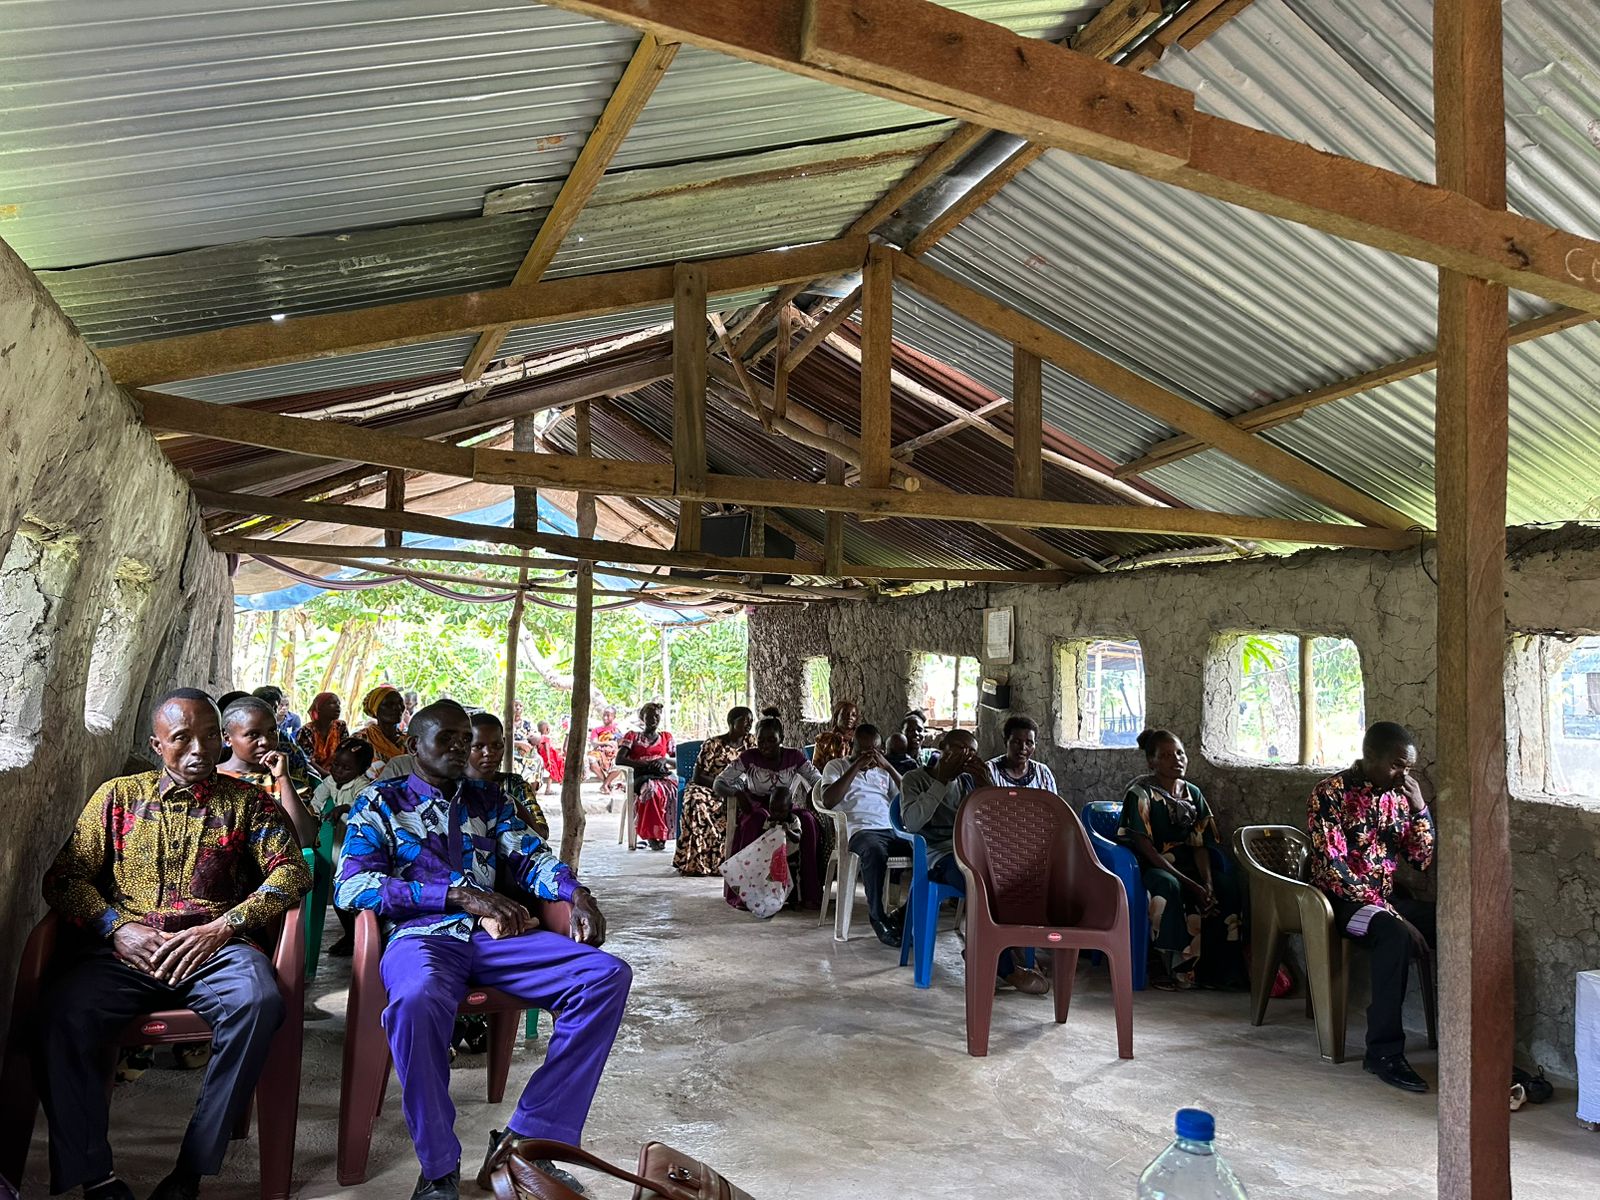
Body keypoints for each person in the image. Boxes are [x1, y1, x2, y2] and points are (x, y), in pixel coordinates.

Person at [336, 701, 630, 1200]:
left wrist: (577, 894)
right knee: (415, 1001)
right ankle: (438, 1167)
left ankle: (528, 1138)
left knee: (605, 976)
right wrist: (455, 893)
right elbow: (353, 887)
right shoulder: (380, 802)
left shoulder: (487, 800)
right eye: (445, 738)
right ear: (414, 746)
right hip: (421, 937)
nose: (458, 747)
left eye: (463, 738)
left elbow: (531, 855)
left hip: (496, 938)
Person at [37, 689, 311, 1200]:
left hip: (215, 948)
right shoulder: (118, 797)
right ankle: (95, 1177)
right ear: (156, 744)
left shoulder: (249, 802)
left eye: (210, 736)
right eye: (182, 738)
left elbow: (292, 871)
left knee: (259, 1001)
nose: (199, 750)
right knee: (59, 1011)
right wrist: (116, 926)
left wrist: (224, 927)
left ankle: (190, 1172)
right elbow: (64, 878)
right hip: (127, 950)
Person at [1307, 721, 1436, 1093]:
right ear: (1371, 756)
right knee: (1393, 934)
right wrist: (1392, 914)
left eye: (1409, 767)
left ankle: (1468, 1038)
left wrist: (1419, 808)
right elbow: (1333, 868)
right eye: (1397, 765)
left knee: (1453, 923)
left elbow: (1421, 858)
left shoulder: (1398, 796)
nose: (1404, 775)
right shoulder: (1330, 793)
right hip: (1343, 903)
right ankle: (1382, 1053)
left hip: (1387, 899)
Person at [901, 728, 1048, 995]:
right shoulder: (914, 779)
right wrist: (941, 781)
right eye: (958, 749)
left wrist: (986, 786)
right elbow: (911, 823)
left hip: (975, 853)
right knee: (981, 886)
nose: (964, 757)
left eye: (971, 752)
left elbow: (998, 823)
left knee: (1016, 879)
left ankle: (990, 950)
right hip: (941, 857)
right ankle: (1004, 968)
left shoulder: (969, 782)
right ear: (942, 747)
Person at [1118, 729, 1244, 990]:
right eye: (1166, 755)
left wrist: (1206, 884)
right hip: (1150, 867)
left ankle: (1221, 970)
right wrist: (1192, 886)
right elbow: (1146, 850)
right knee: (1169, 887)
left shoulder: (1193, 793)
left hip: (1188, 866)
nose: (1177, 759)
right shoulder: (1140, 795)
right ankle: (1168, 966)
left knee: (1227, 886)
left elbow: (1200, 844)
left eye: (1180, 753)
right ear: (1152, 762)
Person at [714, 716, 824, 910]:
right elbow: (719, 782)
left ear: (781, 738)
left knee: (807, 820)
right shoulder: (749, 757)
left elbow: (817, 780)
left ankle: (809, 892)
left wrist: (811, 796)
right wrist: (737, 794)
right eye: (761, 741)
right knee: (757, 821)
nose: (766, 745)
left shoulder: (794, 757)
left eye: (771, 740)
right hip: (755, 807)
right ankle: (748, 894)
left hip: (784, 807)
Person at [820, 723, 908, 946]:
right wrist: (856, 766)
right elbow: (828, 800)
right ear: (852, 746)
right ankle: (878, 917)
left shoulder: (883, 771)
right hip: (860, 831)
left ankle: (903, 914)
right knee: (875, 852)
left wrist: (888, 768)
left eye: (875, 752)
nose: (870, 757)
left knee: (925, 850)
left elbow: (909, 796)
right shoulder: (836, 766)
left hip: (890, 829)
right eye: (864, 751)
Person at [217, 695, 321, 848]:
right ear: (227, 738)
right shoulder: (213, 779)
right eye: (253, 734)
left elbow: (304, 839)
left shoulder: (283, 779)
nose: (265, 741)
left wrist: (283, 778)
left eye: (272, 731)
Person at [673, 707, 755, 876]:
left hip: (738, 789)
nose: (749, 724)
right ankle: (696, 863)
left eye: (751, 721)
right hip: (708, 786)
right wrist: (722, 785)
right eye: (744, 720)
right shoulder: (713, 744)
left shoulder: (752, 743)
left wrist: (734, 789)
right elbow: (698, 776)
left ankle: (724, 862)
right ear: (731, 723)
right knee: (696, 801)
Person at [314, 738, 376, 957]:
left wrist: (344, 807)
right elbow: (317, 801)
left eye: (346, 767)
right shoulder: (331, 781)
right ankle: (350, 934)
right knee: (338, 893)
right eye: (335, 765)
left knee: (351, 893)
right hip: (337, 846)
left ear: (362, 769)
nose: (338, 771)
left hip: (360, 849)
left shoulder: (363, 786)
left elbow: (364, 810)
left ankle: (359, 936)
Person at [467, 711, 551, 841]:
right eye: (478, 746)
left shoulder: (513, 784)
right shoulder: (456, 787)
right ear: (465, 746)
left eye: (497, 746)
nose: (489, 753)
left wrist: (505, 799)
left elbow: (542, 833)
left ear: (504, 743)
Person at [617, 703, 677, 852]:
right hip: (641, 776)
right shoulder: (633, 736)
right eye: (649, 716)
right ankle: (652, 835)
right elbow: (620, 759)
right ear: (642, 718)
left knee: (677, 791)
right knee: (652, 792)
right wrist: (643, 763)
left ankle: (664, 834)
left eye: (656, 716)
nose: (653, 719)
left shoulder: (665, 737)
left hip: (662, 775)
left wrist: (664, 760)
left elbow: (677, 759)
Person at [987, 714, 1058, 792]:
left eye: (1029, 743)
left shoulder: (1043, 773)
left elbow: (1052, 803)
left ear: (1035, 745)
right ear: (1005, 742)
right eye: (1017, 742)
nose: (1023, 748)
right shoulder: (989, 771)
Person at [356, 684, 409, 766]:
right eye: (389, 704)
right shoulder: (361, 739)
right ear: (375, 710)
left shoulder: (408, 741)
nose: (397, 707)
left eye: (400, 703)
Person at [296, 691, 348, 775]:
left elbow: (345, 752)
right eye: (332, 703)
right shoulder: (306, 730)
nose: (338, 706)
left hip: (337, 773)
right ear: (320, 708)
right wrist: (326, 775)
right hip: (313, 774)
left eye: (339, 703)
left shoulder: (340, 726)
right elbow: (307, 760)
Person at [811, 699, 860, 771]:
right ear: (837, 717)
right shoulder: (824, 739)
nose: (850, 717)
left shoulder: (859, 739)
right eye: (845, 714)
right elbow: (816, 768)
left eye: (853, 715)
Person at [586, 706, 624, 795]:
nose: (605, 717)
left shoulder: (617, 729)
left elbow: (621, 742)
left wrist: (614, 743)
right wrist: (606, 743)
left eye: (608, 715)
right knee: (591, 759)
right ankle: (607, 783)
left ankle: (605, 784)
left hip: (613, 752)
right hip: (599, 752)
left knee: (620, 763)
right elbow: (594, 743)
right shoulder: (597, 730)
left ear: (614, 717)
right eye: (604, 715)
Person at [534, 720, 565, 796]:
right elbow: (547, 749)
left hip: (542, 758)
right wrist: (548, 760)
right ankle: (548, 789)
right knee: (555, 769)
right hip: (549, 758)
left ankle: (549, 788)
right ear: (547, 729)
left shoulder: (538, 738)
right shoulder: (546, 738)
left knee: (552, 771)